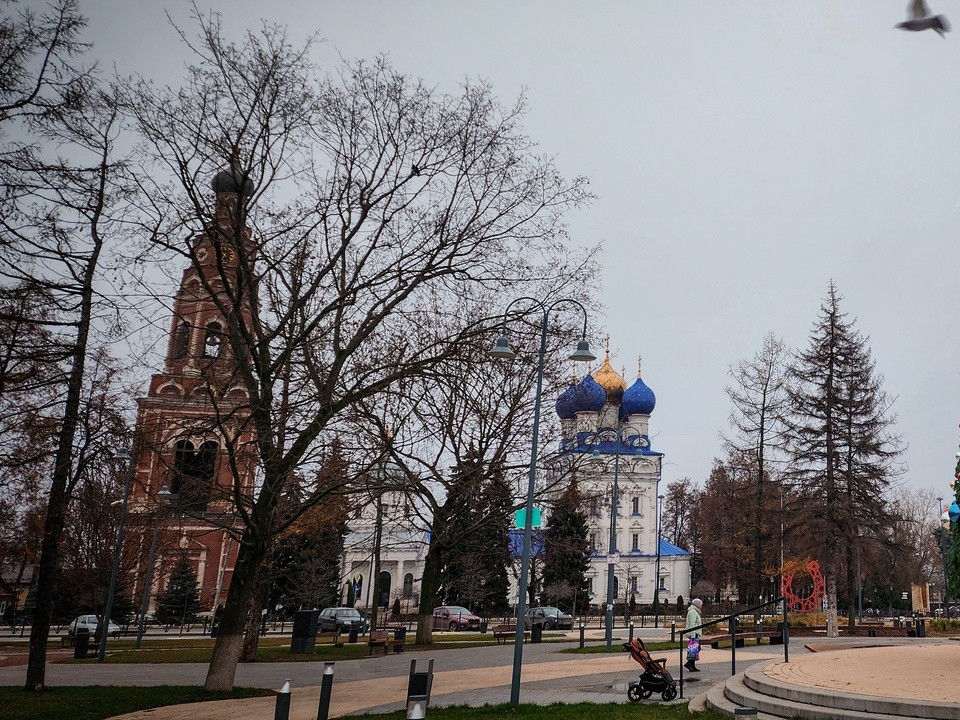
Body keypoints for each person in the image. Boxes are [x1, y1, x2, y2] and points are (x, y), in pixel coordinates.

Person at [685, 598, 703, 672]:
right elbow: (692, 624)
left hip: (695, 633)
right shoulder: (693, 612)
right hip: (694, 633)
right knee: (695, 649)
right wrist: (693, 636)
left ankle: (692, 665)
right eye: (700, 605)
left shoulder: (694, 611)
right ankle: (689, 664)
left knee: (694, 650)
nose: (701, 606)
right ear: (697, 605)